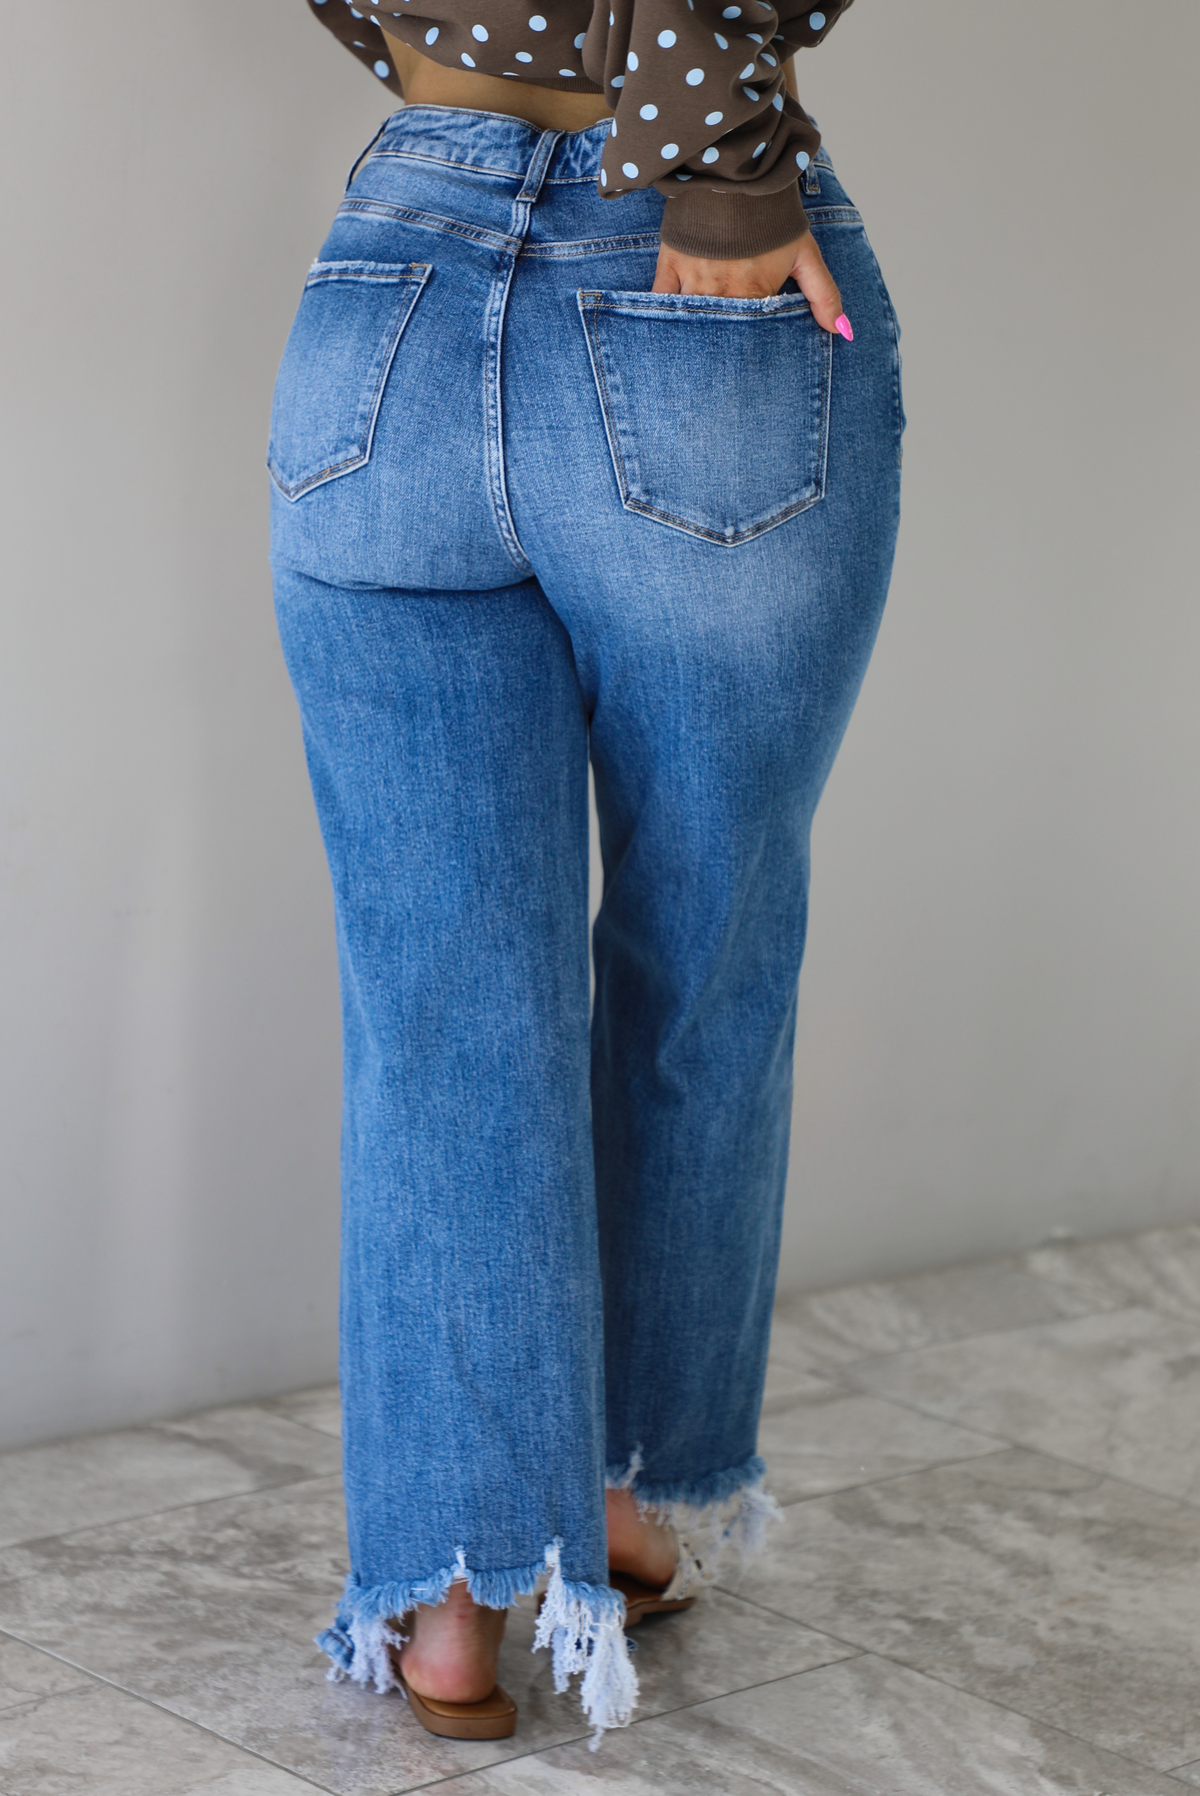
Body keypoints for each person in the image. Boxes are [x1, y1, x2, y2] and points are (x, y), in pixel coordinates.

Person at [269, 0, 901, 1747]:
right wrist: (713, 157)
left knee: (442, 1007)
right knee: (703, 945)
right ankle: (616, 1485)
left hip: (388, 274)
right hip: (688, 265)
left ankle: (460, 1585)